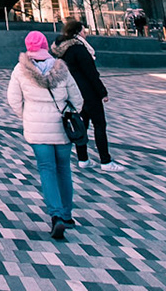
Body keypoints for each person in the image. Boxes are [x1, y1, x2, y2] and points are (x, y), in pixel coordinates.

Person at [6, 30, 78, 240]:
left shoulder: (21, 69)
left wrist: (27, 116)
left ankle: (56, 216)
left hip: (37, 128)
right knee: (64, 169)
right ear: (46, 46)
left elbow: (13, 100)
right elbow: (77, 98)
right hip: (62, 128)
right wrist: (70, 116)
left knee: (47, 169)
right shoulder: (60, 67)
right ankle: (67, 215)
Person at [52, 18, 117, 169]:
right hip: (89, 93)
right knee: (99, 125)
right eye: (83, 30)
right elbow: (91, 73)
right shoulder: (79, 49)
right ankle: (105, 161)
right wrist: (102, 92)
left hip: (74, 93)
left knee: (82, 125)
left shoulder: (62, 51)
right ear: (77, 33)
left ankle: (83, 159)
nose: (85, 33)